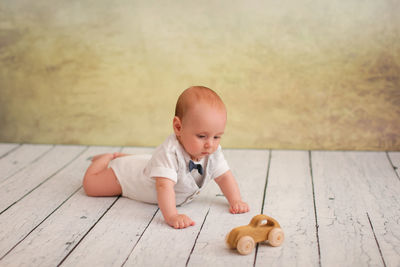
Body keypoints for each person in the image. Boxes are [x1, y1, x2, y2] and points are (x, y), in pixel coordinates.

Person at [83, 86, 249, 229]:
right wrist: (172, 216)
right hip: (128, 177)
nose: (210, 144)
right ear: (178, 127)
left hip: (149, 164)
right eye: (201, 136)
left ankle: (121, 156)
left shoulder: (212, 151)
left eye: (217, 136)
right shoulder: (169, 152)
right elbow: (163, 186)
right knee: (91, 187)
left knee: (149, 162)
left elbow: (225, 177)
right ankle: (107, 158)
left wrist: (236, 200)